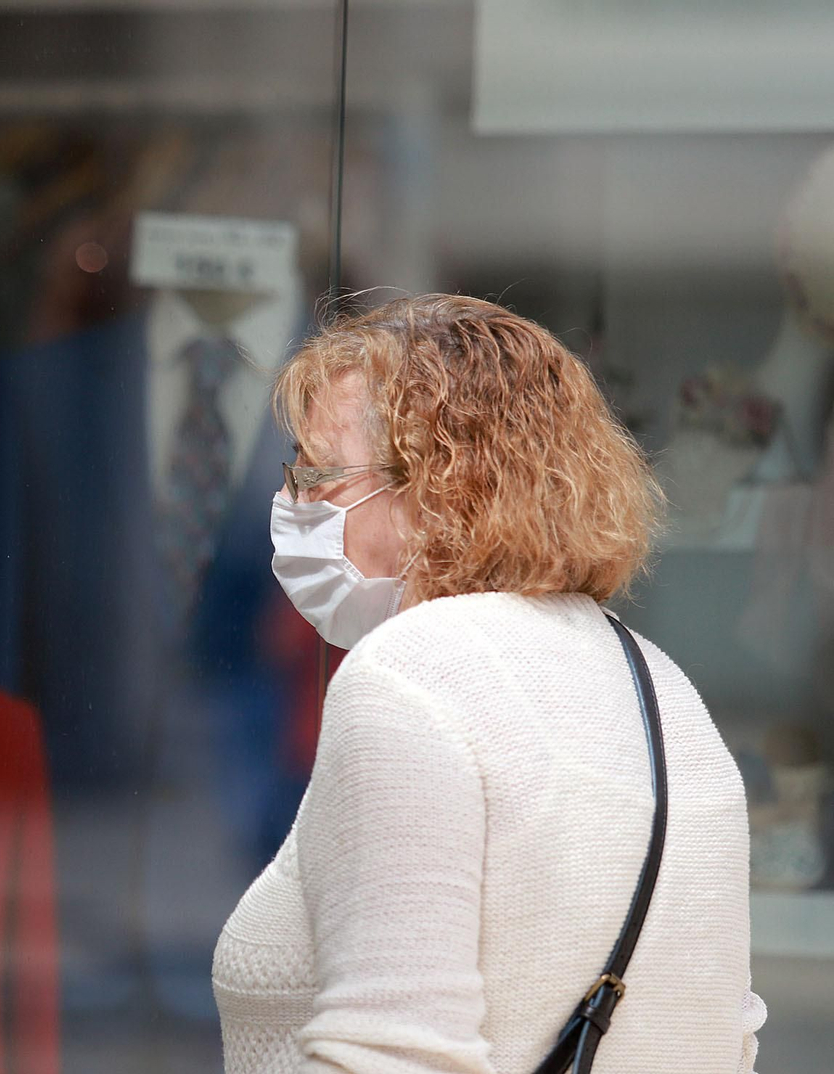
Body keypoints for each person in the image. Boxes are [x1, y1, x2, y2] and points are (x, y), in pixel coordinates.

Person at [214, 295, 764, 1074]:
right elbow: (723, 1040)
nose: (291, 502)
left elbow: (388, 1057)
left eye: (316, 473)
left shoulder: (409, 676)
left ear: (438, 489)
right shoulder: (663, 690)